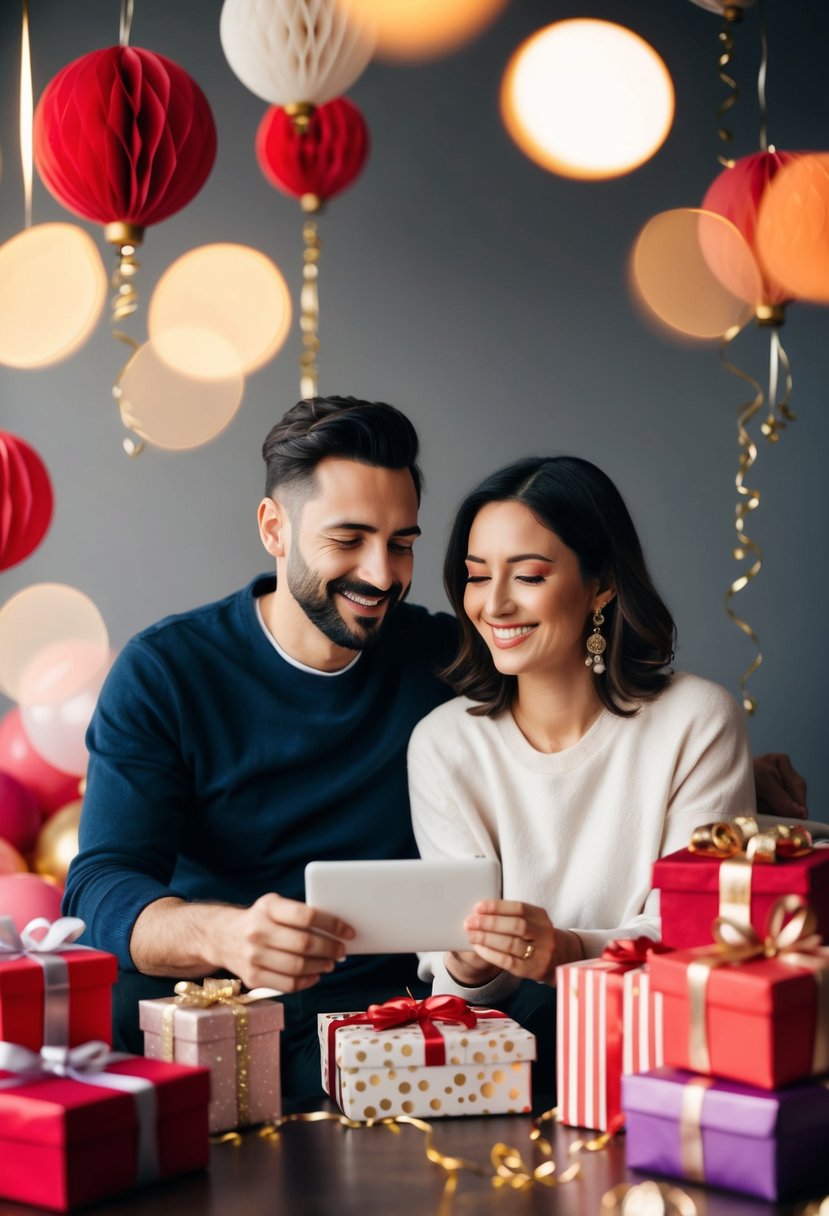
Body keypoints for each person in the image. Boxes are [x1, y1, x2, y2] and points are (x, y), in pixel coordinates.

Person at [64, 400, 808, 1104]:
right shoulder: (167, 670)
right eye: (347, 539)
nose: (381, 574)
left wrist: (746, 801)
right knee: (125, 1000)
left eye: (402, 543)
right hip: (237, 1003)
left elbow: (586, 689)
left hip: (409, 1008)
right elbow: (100, 882)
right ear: (273, 528)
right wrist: (224, 932)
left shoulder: (443, 656)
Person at [408, 455, 756, 1032]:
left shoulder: (697, 720)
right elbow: (456, 992)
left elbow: (699, 931)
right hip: (506, 1059)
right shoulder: (443, 744)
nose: (493, 605)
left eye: (528, 575)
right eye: (476, 574)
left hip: (664, 1043)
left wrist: (567, 950)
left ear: (602, 586)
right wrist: (466, 963)